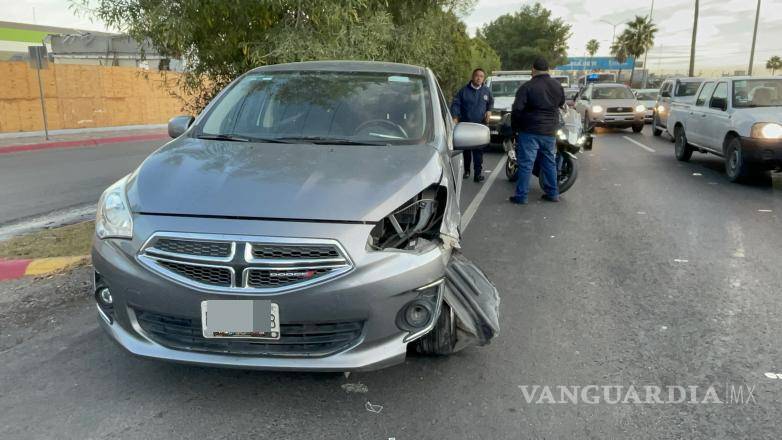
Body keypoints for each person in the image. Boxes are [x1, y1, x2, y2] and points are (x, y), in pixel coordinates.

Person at [509, 57, 565, 204]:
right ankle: (553, 194)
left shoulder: (527, 87)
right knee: (549, 161)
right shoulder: (557, 86)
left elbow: (517, 110)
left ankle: (521, 196)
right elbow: (561, 103)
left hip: (529, 131)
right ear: (548, 70)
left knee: (526, 163)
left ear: (533, 69)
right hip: (549, 131)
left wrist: (515, 128)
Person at [451, 68, 494, 183]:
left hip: (480, 126)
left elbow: (490, 102)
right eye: (477, 76)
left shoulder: (486, 91)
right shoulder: (464, 91)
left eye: (481, 76)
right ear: (472, 76)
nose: (479, 78)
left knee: (479, 151)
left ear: (483, 78)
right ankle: (467, 170)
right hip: (466, 126)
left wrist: (489, 111)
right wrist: (455, 116)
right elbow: (456, 104)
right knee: (467, 150)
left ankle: (478, 174)